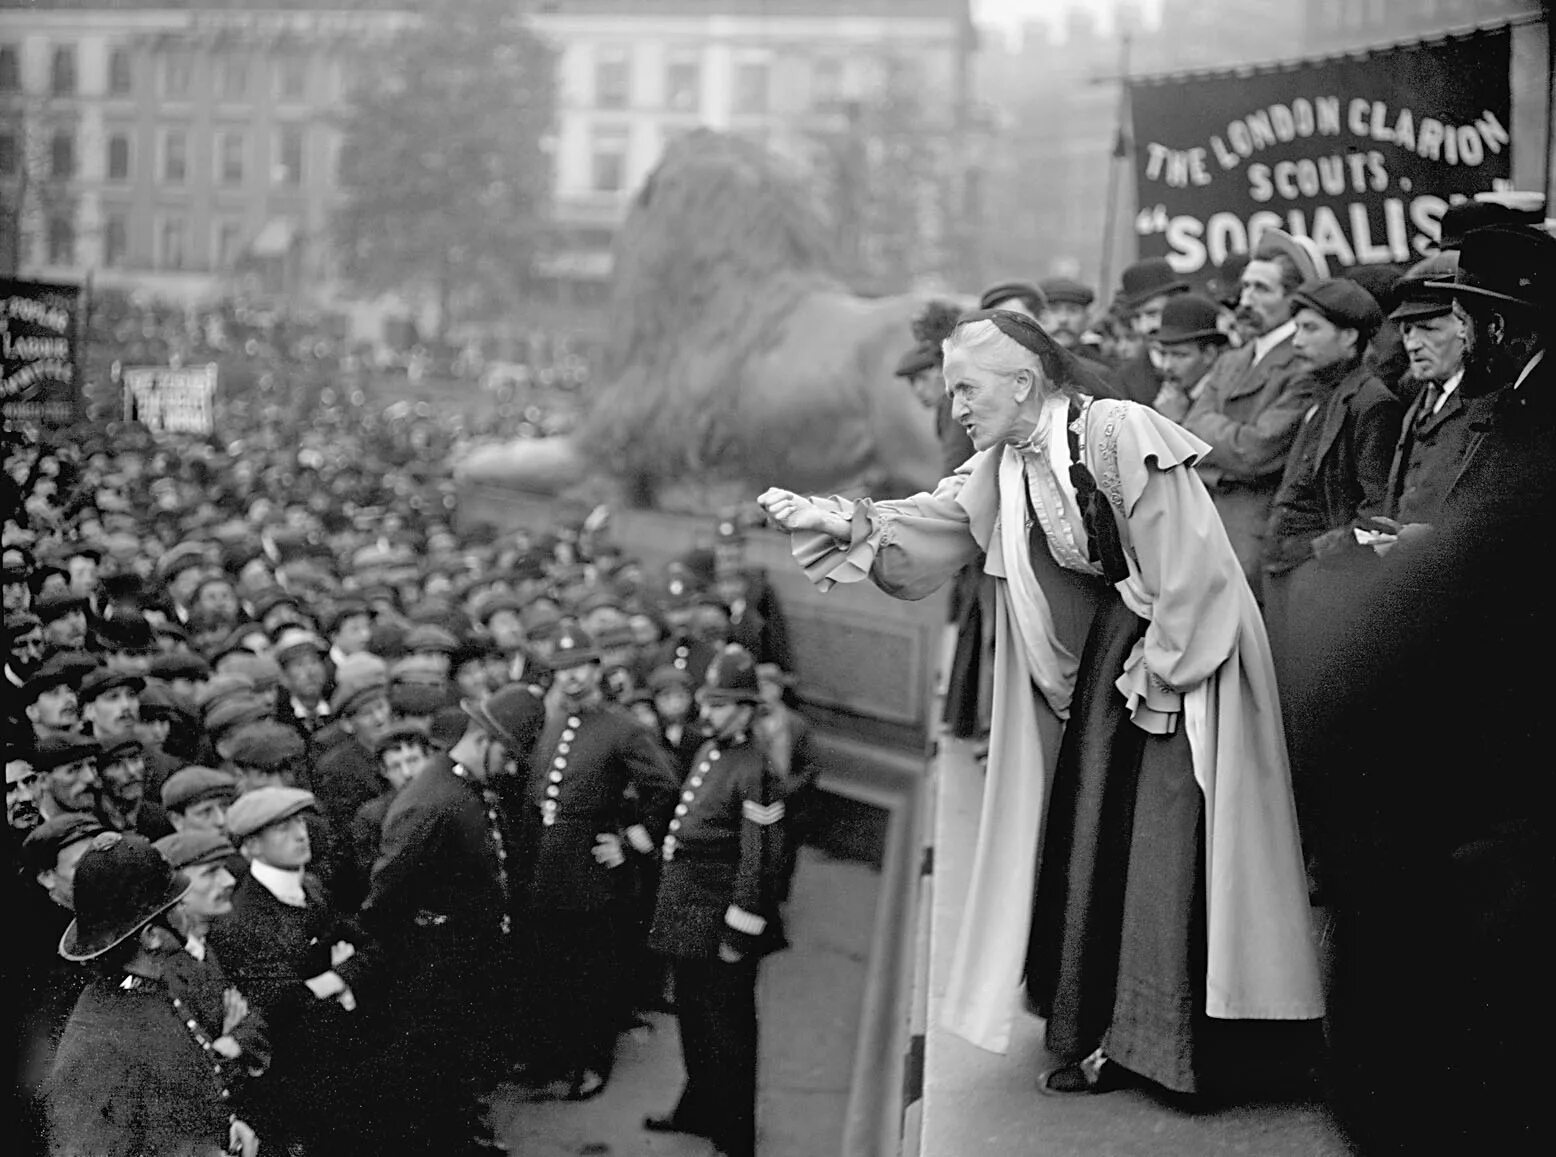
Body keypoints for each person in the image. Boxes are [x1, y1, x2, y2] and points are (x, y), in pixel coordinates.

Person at [758, 307, 1320, 1097]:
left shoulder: (1121, 430)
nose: (953, 408)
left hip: (1191, 659)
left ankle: (1177, 1049)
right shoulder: (1011, 457)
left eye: (965, 388)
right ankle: (1112, 1034)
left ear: (1022, 382)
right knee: (1107, 838)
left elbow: (1194, 569)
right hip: (1119, 658)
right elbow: (945, 518)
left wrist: (1160, 676)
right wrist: (844, 519)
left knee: (1166, 843)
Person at [1300, 225, 1552, 1156]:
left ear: (1503, 328)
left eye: (1469, 315)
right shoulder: (1497, 403)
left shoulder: (1525, 417)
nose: (1446, 331)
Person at [360, 684, 546, 1155]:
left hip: (464, 956)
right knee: (434, 1064)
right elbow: (384, 901)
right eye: (508, 756)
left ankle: (463, 1131)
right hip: (433, 965)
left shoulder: (466, 785)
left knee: (460, 1057)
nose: (510, 768)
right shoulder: (431, 802)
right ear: (484, 740)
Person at [1259, 279, 1402, 887]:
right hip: (1292, 578)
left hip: (1323, 588)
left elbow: (1376, 510)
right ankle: (1303, 852)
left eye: (1312, 328)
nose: (1299, 338)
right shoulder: (1326, 393)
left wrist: (1317, 559)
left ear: (1350, 337)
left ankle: (1325, 862)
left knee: (1320, 722)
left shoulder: (1372, 402)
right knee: (1292, 719)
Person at [509, 623, 680, 1100]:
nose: (572, 679)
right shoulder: (550, 722)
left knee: (591, 976)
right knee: (548, 971)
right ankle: (550, 1057)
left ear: (596, 668)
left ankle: (591, 1060)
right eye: (563, 670)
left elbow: (665, 787)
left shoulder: (623, 729)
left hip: (590, 876)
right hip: (545, 872)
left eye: (580, 667)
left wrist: (630, 841)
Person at [643, 645, 788, 1157]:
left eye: (722, 704)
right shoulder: (712, 752)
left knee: (728, 1032)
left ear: (747, 709)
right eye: (709, 702)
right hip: (687, 917)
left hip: (719, 921)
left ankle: (734, 1133)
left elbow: (760, 861)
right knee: (695, 1022)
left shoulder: (757, 770)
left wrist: (738, 931)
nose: (709, 713)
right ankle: (699, 1108)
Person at [44, 831, 261, 1157]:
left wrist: (222, 1128)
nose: (184, 908)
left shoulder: (149, 987)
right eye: (174, 905)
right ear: (152, 936)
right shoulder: (97, 1045)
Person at [208, 786, 374, 1156]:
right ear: (251, 847)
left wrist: (331, 979)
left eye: (299, 821)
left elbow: (371, 950)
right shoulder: (242, 920)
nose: (301, 834)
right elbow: (283, 1005)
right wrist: (343, 981)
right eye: (282, 829)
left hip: (342, 1066)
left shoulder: (312, 888)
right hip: (295, 1082)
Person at [1182, 230, 1325, 589]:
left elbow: (1258, 450)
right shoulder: (1232, 360)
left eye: (1261, 289)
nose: (1246, 300)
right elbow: (1185, 433)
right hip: (1206, 521)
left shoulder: (1303, 362)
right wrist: (1226, 439)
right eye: (1246, 287)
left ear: (1294, 298)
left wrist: (1209, 433)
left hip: (1258, 533)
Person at [1112, 257, 1189, 405]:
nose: (1144, 327)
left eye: (1152, 314)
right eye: (1136, 317)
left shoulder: (1213, 364)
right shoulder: (1123, 381)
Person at [1148, 294, 1231, 424]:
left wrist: (1177, 420)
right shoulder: (1168, 396)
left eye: (1180, 355)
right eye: (1163, 354)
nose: (1167, 366)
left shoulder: (1225, 396)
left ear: (1209, 354)